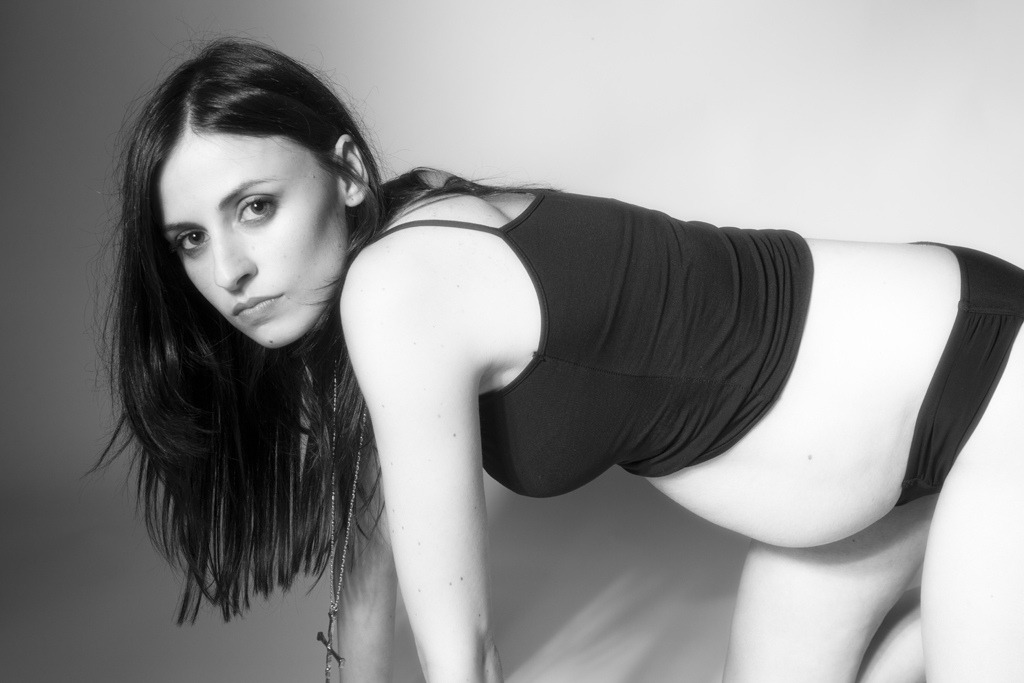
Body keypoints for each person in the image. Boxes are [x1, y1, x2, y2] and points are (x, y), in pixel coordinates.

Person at [99, 38, 1024, 683]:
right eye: (190, 239)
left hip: (989, 387)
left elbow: (460, 654)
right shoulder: (388, 267)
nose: (229, 270)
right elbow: (372, 552)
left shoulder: (397, 289)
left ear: (345, 173)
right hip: (887, 453)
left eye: (255, 206)